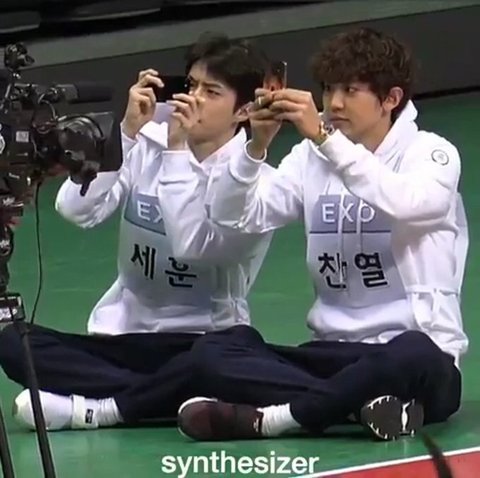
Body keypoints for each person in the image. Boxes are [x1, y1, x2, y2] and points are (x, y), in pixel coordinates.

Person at [176, 28, 469, 442]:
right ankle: (358, 405)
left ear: (391, 99)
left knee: (416, 352)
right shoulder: (309, 158)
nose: (334, 103)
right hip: (332, 354)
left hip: (412, 357)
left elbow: (409, 202)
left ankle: (274, 419)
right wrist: (255, 148)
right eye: (329, 89)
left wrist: (324, 138)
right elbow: (236, 216)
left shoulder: (431, 153)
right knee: (217, 350)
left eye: (350, 90)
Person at [0, 33, 275, 431]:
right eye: (191, 85)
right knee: (13, 343)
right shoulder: (146, 145)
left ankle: (100, 408)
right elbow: (75, 210)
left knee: (222, 359)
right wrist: (126, 133)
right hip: (123, 337)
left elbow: (196, 249)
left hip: (202, 340)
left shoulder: (255, 180)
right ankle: (169, 399)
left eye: (211, 92)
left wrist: (176, 152)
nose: (193, 99)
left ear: (244, 110)